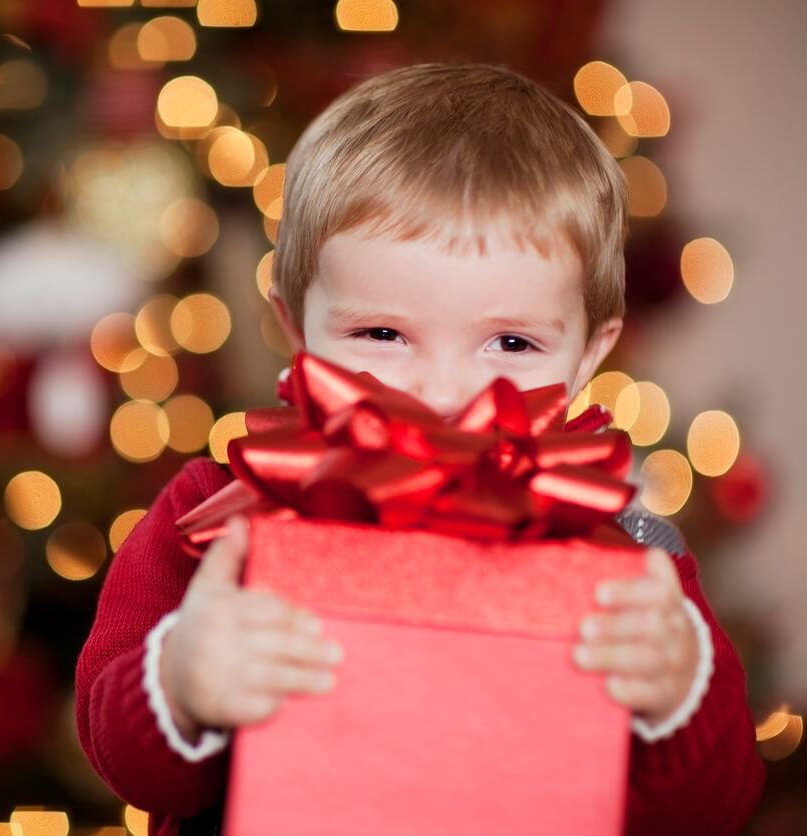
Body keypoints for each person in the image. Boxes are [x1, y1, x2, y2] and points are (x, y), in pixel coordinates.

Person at [75, 63, 765, 835]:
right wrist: (179, 683)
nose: (443, 391)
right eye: (382, 334)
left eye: (510, 342)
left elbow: (718, 808)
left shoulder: (630, 554)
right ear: (296, 326)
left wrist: (674, 696)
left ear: (589, 354)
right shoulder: (216, 511)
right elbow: (116, 751)